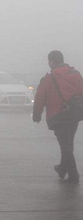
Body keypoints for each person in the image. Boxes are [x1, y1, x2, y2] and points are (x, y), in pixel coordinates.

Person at [33, 50, 83, 184]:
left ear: (52, 62)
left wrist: (37, 113)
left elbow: (40, 97)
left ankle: (73, 175)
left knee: (65, 145)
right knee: (68, 143)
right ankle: (62, 168)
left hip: (58, 115)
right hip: (74, 114)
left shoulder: (49, 79)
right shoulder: (76, 74)